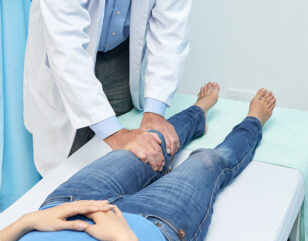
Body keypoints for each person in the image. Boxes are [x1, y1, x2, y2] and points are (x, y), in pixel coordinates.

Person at [1, 83, 276, 241]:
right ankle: (253, 123)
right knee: (207, 161)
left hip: (65, 207)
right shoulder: (129, 237)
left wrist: (30, 220)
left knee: (150, 141)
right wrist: (125, 239)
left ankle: (198, 112)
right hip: (148, 229)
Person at [23, 0, 192, 176]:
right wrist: (116, 135)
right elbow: (67, 51)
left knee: (122, 159)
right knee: (66, 161)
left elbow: (171, 32)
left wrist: (155, 113)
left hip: (119, 54)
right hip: (66, 54)